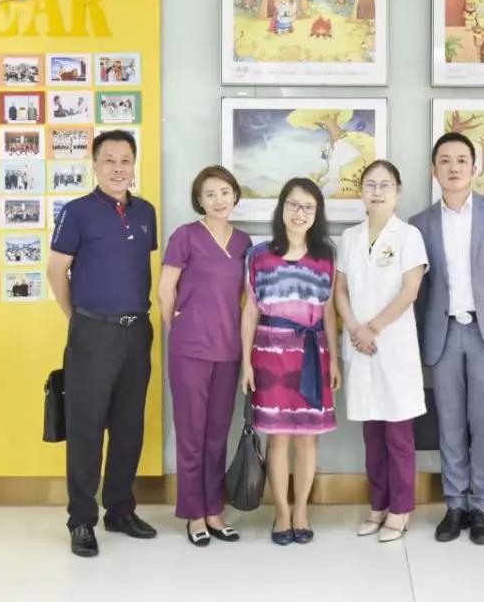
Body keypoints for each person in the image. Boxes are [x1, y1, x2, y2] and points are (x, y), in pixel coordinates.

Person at [409, 132, 484, 545]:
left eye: (461, 160)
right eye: (445, 160)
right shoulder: (420, 223)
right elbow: (418, 290)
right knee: (450, 422)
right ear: (434, 169)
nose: (454, 167)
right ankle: (455, 504)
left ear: (474, 168)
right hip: (442, 333)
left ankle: (482, 506)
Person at [47, 129, 159, 558]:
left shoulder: (145, 212)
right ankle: (81, 519)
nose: (118, 168)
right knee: (86, 427)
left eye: (125, 160)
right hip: (92, 331)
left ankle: (120, 510)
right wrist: (75, 318)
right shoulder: (77, 212)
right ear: (94, 165)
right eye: (109, 160)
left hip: (137, 331)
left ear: (134, 165)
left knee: (129, 426)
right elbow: (56, 270)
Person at [240, 178, 341, 546]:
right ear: (282, 208)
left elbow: (329, 312)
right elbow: (250, 311)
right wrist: (246, 363)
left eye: (308, 207)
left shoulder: (326, 256)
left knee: (308, 440)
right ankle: (282, 512)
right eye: (293, 205)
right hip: (270, 356)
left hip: (313, 356)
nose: (300, 213)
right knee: (278, 438)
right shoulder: (258, 255)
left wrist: (335, 361)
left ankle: (302, 510)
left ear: (317, 214)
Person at [334, 160, 427, 543]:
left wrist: (371, 328)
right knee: (372, 435)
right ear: (361, 192)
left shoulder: (409, 236)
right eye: (370, 184)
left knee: (398, 436)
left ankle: (400, 509)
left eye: (385, 185)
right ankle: (378, 505)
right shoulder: (349, 237)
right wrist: (355, 328)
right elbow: (340, 291)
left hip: (393, 345)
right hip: (360, 346)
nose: (377, 191)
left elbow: (410, 291)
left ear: (397, 191)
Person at [158, 166, 251, 547]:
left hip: (229, 350)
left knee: (217, 434)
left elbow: (246, 300)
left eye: (225, 192)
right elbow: (165, 290)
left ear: (235, 196)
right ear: (199, 200)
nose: (219, 200)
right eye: (210, 194)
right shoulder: (185, 236)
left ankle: (215, 510)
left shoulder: (244, 242)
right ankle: (194, 514)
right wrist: (178, 329)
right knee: (191, 434)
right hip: (190, 350)